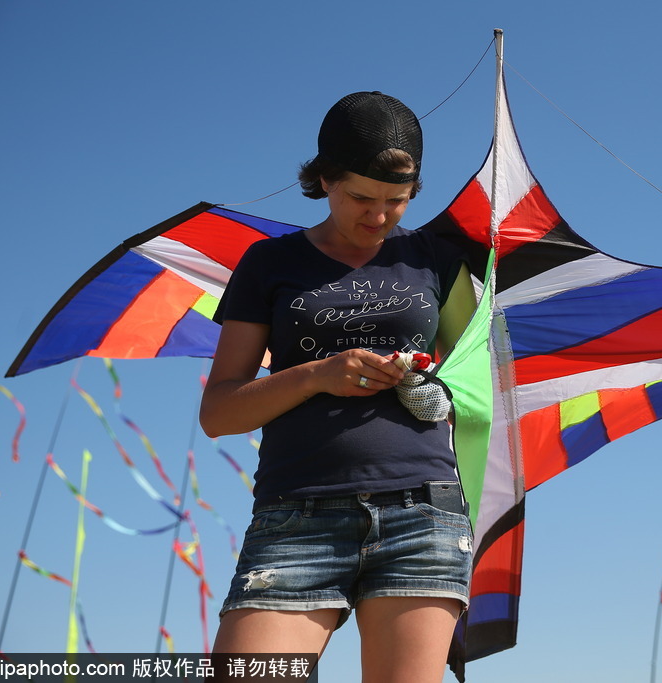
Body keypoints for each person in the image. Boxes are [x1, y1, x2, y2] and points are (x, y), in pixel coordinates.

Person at [201, 91, 477, 682]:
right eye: (360, 197)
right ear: (324, 180)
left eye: (396, 202)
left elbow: (472, 379)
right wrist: (317, 374)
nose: (378, 217)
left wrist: (426, 379)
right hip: (294, 516)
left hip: (422, 514)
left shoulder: (443, 261)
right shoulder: (267, 263)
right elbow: (220, 412)